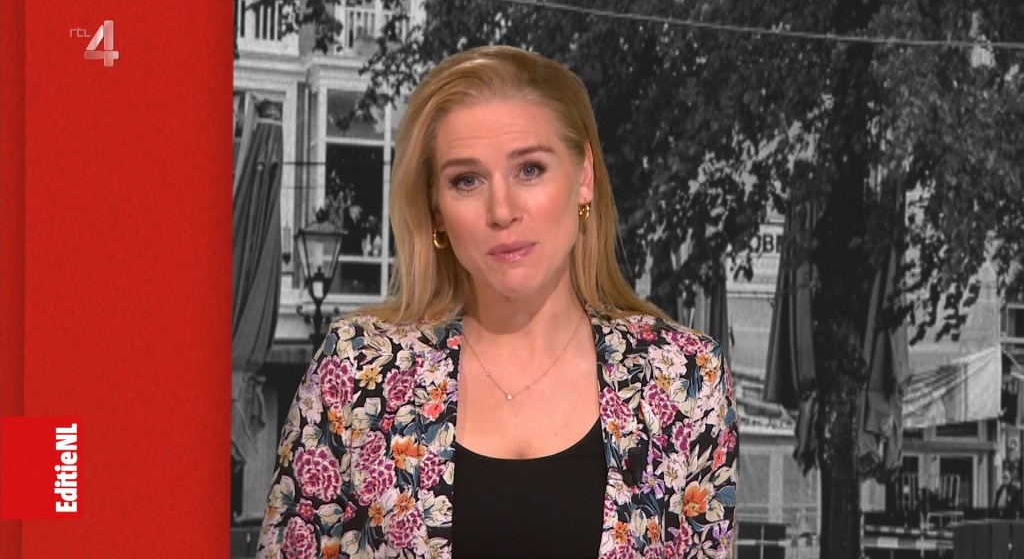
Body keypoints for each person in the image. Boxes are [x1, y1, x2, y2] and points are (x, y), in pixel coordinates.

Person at [256, 45, 738, 558]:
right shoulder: (356, 372)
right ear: (436, 210)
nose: (502, 210)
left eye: (529, 169)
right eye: (467, 180)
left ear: (584, 177)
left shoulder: (684, 381)